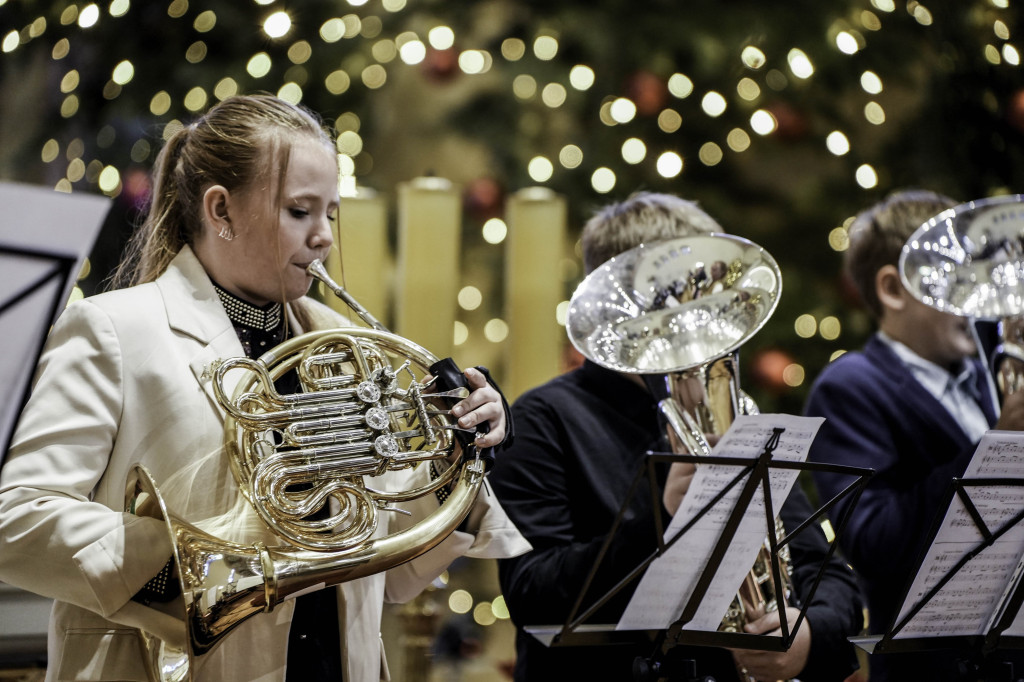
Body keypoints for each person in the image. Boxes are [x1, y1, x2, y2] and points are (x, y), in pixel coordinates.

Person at [0, 94, 528, 682]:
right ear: (221, 210)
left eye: (330, 213)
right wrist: (183, 568)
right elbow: (19, 517)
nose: (324, 236)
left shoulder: (339, 340)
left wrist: (456, 459)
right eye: (300, 212)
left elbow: (395, 573)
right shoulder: (114, 328)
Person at [490, 191, 865, 682]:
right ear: (614, 306)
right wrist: (661, 519)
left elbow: (827, 575)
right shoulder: (544, 417)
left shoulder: (734, 416)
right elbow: (531, 595)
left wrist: (809, 633)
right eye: (681, 296)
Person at [803, 189, 1024, 681]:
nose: (980, 299)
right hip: (932, 668)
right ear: (893, 289)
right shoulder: (850, 386)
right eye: (961, 279)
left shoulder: (986, 368)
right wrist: (1000, 445)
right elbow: (874, 543)